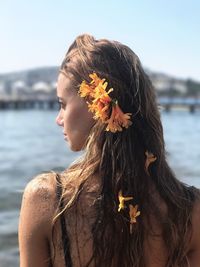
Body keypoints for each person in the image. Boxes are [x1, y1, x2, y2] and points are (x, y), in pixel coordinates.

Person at [18, 34, 200, 267]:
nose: (59, 119)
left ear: (95, 105)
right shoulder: (190, 211)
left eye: (63, 104)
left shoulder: (46, 200)